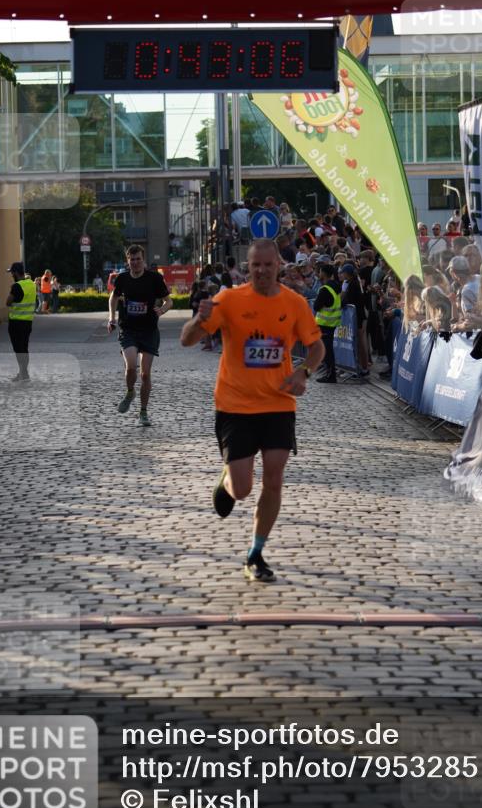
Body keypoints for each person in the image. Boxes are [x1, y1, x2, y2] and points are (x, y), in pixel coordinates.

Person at [179, 238, 325, 583]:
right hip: (235, 405)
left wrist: (303, 372)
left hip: (278, 403)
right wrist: (199, 320)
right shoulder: (229, 300)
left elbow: (316, 347)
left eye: (268, 265)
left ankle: (255, 553)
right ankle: (228, 480)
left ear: (279, 266)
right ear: (248, 267)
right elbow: (187, 340)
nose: (261, 271)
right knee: (243, 488)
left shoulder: (294, 303)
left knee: (274, 477)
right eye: (255, 265)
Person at [108, 244, 173, 427]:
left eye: (138, 259)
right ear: (127, 261)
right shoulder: (122, 278)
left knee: (145, 375)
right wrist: (111, 318)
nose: (135, 263)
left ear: (143, 260)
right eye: (132, 259)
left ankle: (143, 412)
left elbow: (169, 301)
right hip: (128, 329)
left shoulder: (154, 278)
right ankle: (130, 392)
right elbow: (113, 297)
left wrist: (162, 310)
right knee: (131, 367)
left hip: (149, 331)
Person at [6, 262, 36, 381]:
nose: (11, 275)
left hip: (16, 322)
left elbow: (8, 302)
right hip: (28, 322)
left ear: (16, 273)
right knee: (24, 348)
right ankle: (24, 372)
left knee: (18, 349)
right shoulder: (32, 284)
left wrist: (12, 291)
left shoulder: (16, 286)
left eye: (12, 273)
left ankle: (23, 373)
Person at [313, 261, 342, 383]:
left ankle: (331, 375)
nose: (318, 274)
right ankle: (330, 374)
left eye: (320, 272)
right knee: (327, 350)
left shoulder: (325, 289)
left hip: (325, 324)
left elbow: (316, 306)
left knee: (327, 351)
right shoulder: (336, 286)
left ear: (324, 273)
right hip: (332, 323)